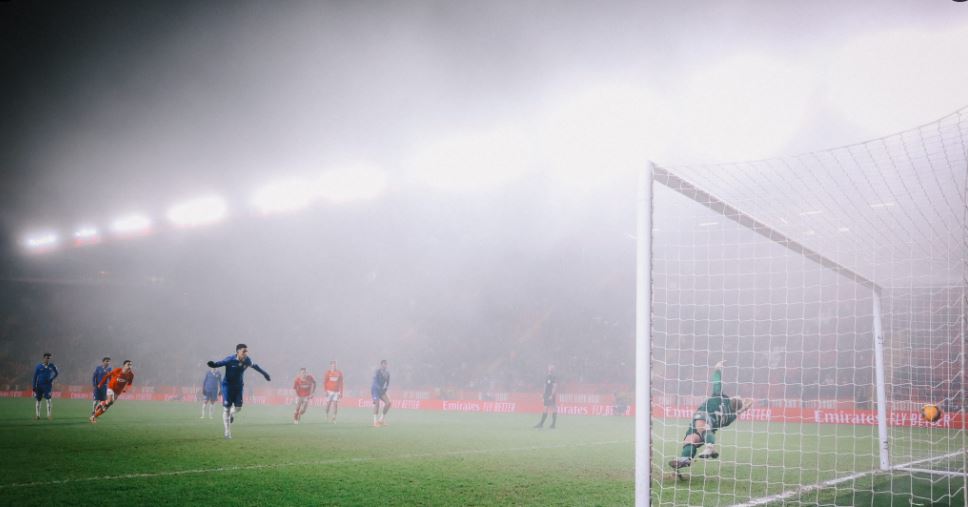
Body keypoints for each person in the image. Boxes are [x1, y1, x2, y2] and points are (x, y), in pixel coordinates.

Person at [668, 361, 753, 470]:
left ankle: (710, 447)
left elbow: (717, 383)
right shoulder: (731, 416)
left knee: (700, 426)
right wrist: (745, 406)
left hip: (703, 417)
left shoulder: (720, 397)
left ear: (732, 399)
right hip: (708, 432)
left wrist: (717, 369)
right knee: (690, 439)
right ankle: (685, 459)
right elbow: (743, 407)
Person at [207, 344, 271, 439]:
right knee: (226, 408)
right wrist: (214, 364)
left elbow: (255, 366)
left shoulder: (247, 360)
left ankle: (232, 414)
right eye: (243, 351)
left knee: (238, 408)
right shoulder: (230, 359)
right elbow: (221, 363)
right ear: (238, 352)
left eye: (246, 351)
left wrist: (265, 374)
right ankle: (227, 432)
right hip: (227, 386)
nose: (246, 353)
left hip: (239, 386)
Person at [32, 352, 59, 420]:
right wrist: (33, 386)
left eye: (49, 358)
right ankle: (37, 416)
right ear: (44, 358)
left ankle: (49, 416)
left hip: (47, 386)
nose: (48, 360)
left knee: (49, 400)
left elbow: (56, 373)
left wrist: (52, 379)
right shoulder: (38, 366)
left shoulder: (52, 366)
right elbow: (35, 376)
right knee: (38, 400)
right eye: (47, 358)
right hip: (39, 386)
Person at [534, 364, 558, 429]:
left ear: (552, 369)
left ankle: (545, 424)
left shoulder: (553, 377)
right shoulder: (547, 377)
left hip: (550, 394)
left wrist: (551, 395)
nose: (550, 368)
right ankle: (550, 425)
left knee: (551, 408)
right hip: (547, 394)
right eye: (549, 367)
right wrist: (543, 394)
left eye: (551, 368)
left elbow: (554, 387)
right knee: (549, 408)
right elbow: (545, 386)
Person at [371, 359, 391, 427]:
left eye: (386, 364)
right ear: (381, 365)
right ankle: (375, 422)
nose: (385, 365)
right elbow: (374, 381)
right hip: (375, 390)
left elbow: (387, 383)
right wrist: (379, 388)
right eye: (384, 364)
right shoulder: (377, 371)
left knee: (388, 403)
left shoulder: (387, 373)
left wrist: (385, 388)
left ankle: (381, 420)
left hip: (381, 390)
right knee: (377, 404)